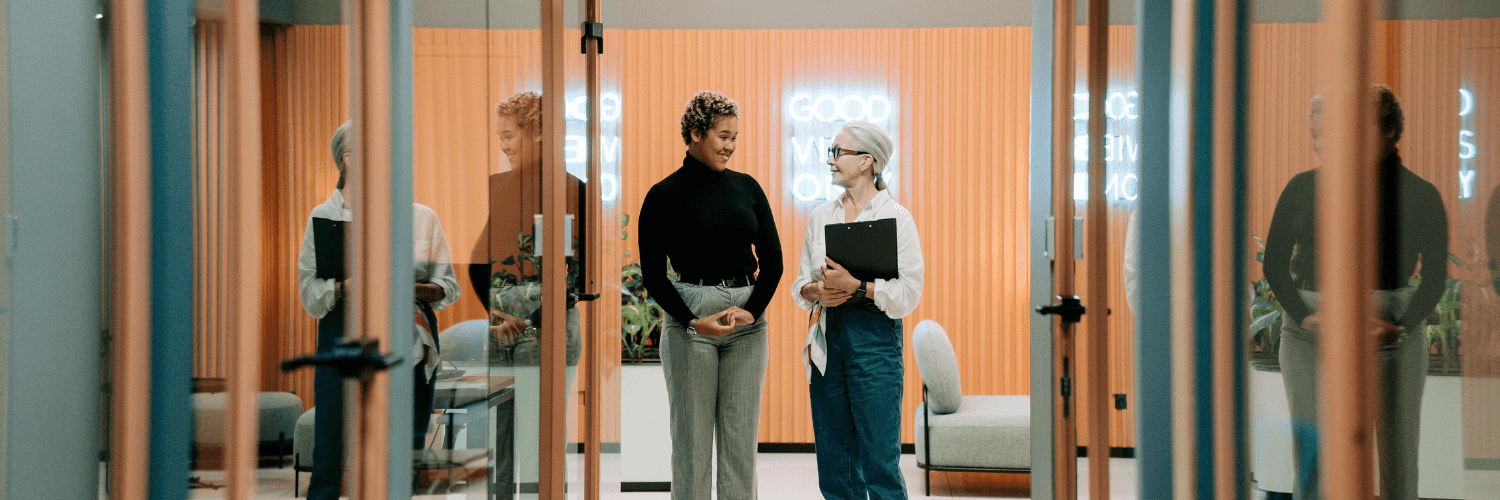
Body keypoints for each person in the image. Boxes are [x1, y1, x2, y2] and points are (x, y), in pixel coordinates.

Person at [1263, 85, 1448, 500]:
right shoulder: (1300, 187)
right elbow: (1273, 262)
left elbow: (1434, 278)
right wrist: (1305, 314)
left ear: (1384, 130)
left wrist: (1398, 328)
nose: (1322, 144)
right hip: (1309, 329)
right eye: (1315, 133)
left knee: (1399, 464)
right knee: (1314, 462)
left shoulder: (1420, 194)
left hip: (1392, 329)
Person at [297, 120, 460, 500]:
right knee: (331, 440)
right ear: (348, 159)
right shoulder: (323, 217)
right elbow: (309, 293)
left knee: (407, 442)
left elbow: (449, 288)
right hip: (342, 330)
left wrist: (405, 287)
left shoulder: (423, 217)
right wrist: (345, 288)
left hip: (411, 334)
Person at [638, 90, 782, 500]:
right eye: (723, 136)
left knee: (740, 445)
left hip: (747, 320)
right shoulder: (662, 195)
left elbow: (772, 260)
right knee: (692, 442)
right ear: (696, 133)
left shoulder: (747, 187)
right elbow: (653, 275)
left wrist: (753, 312)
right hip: (691, 317)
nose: (730, 145)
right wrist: (689, 321)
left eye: (735, 136)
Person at [791, 120, 924, 500]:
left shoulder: (897, 218)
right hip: (828, 342)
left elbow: (909, 293)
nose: (829, 160)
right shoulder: (821, 216)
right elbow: (800, 285)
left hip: (876, 343)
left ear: (867, 161)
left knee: (879, 464)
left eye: (838, 152)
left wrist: (860, 289)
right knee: (835, 465)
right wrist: (818, 290)